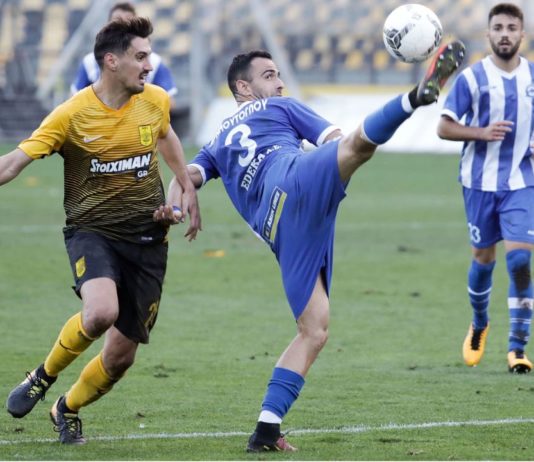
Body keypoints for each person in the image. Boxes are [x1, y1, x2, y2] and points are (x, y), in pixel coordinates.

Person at [167, 43, 465, 452]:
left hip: (281, 230)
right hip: (293, 178)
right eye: (269, 75)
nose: (280, 82)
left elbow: (184, 177)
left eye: (278, 74)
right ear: (243, 87)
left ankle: (265, 431)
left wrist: (174, 208)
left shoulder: (215, 144)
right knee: (357, 147)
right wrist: (336, 160)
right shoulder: (281, 107)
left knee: (314, 330)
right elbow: (337, 140)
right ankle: (415, 97)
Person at [1, 17, 200, 444]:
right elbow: (13, 163)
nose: (149, 65)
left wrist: (183, 186)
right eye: (141, 57)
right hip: (92, 232)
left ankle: (66, 408)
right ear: (112, 61)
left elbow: (165, 135)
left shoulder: (155, 100)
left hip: (148, 239)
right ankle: (43, 375)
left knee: (121, 357)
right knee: (100, 313)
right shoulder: (71, 115)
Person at [437, 3, 534, 374]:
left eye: (511, 27)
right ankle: (479, 323)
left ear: (522, 34)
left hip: (522, 182)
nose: (505, 34)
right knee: (483, 258)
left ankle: (517, 348)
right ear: (488, 34)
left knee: (520, 261)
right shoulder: (471, 79)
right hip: (478, 183)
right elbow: (444, 127)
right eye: (498, 28)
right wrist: (481, 132)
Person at [70, 2, 178, 109]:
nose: (122, 27)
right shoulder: (89, 62)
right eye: (117, 21)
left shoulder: (154, 62)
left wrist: (139, 112)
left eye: (127, 22)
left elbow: (169, 103)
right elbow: (74, 101)